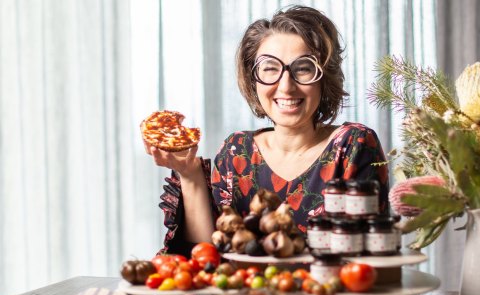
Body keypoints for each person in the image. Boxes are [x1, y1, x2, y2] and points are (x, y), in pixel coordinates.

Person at [146, 5, 389, 257]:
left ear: (324, 77)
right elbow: (208, 258)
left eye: (303, 68)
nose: (286, 86)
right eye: (270, 68)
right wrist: (189, 174)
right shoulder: (236, 152)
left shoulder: (352, 146)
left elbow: (366, 259)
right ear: (253, 78)